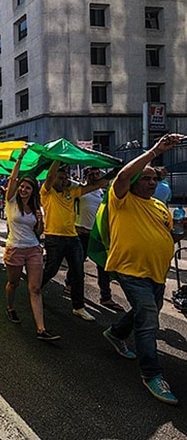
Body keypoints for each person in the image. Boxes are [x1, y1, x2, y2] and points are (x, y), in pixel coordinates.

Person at [101, 133, 187, 406]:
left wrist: (181, 233)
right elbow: (124, 176)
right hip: (131, 270)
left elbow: (169, 237)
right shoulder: (122, 199)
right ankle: (151, 373)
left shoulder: (161, 207)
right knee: (149, 319)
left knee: (144, 310)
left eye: (154, 179)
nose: (152, 182)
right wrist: (155, 150)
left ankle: (115, 333)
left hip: (157, 273)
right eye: (146, 178)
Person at [2, 146, 59, 340]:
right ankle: (10, 307)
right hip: (15, 249)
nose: (24, 190)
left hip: (33, 249)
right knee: (14, 283)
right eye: (22, 186)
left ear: (33, 191)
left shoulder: (36, 207)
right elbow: (12, 179)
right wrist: (20, 158)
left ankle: (41, 329)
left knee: (35, 288)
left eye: (28, 188)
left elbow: (39, 232)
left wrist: (40, 220)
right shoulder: (10, 202)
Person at [40, 161, 109, 321]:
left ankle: (78, 307)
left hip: (73, 237)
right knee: (51, 270)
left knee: (78, 273)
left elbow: (96, 186)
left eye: (66, 177)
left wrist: (115, 170)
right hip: (54, 237)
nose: (65, 180)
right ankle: (35, 290)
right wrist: (58, 157)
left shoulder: (72, 191)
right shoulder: (47, 192)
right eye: (61, 177)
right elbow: (50, 176)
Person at [65, 167, 122, 311]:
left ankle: (106, 297)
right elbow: (64, 181)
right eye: (91, 174)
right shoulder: (78, 188)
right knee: (77, 263)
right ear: (86, 176)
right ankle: (69, 284)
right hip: (81, 233)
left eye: (97, 174)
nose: (94, 176)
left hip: (97, 235)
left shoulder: (102, 192)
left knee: (103, 267)